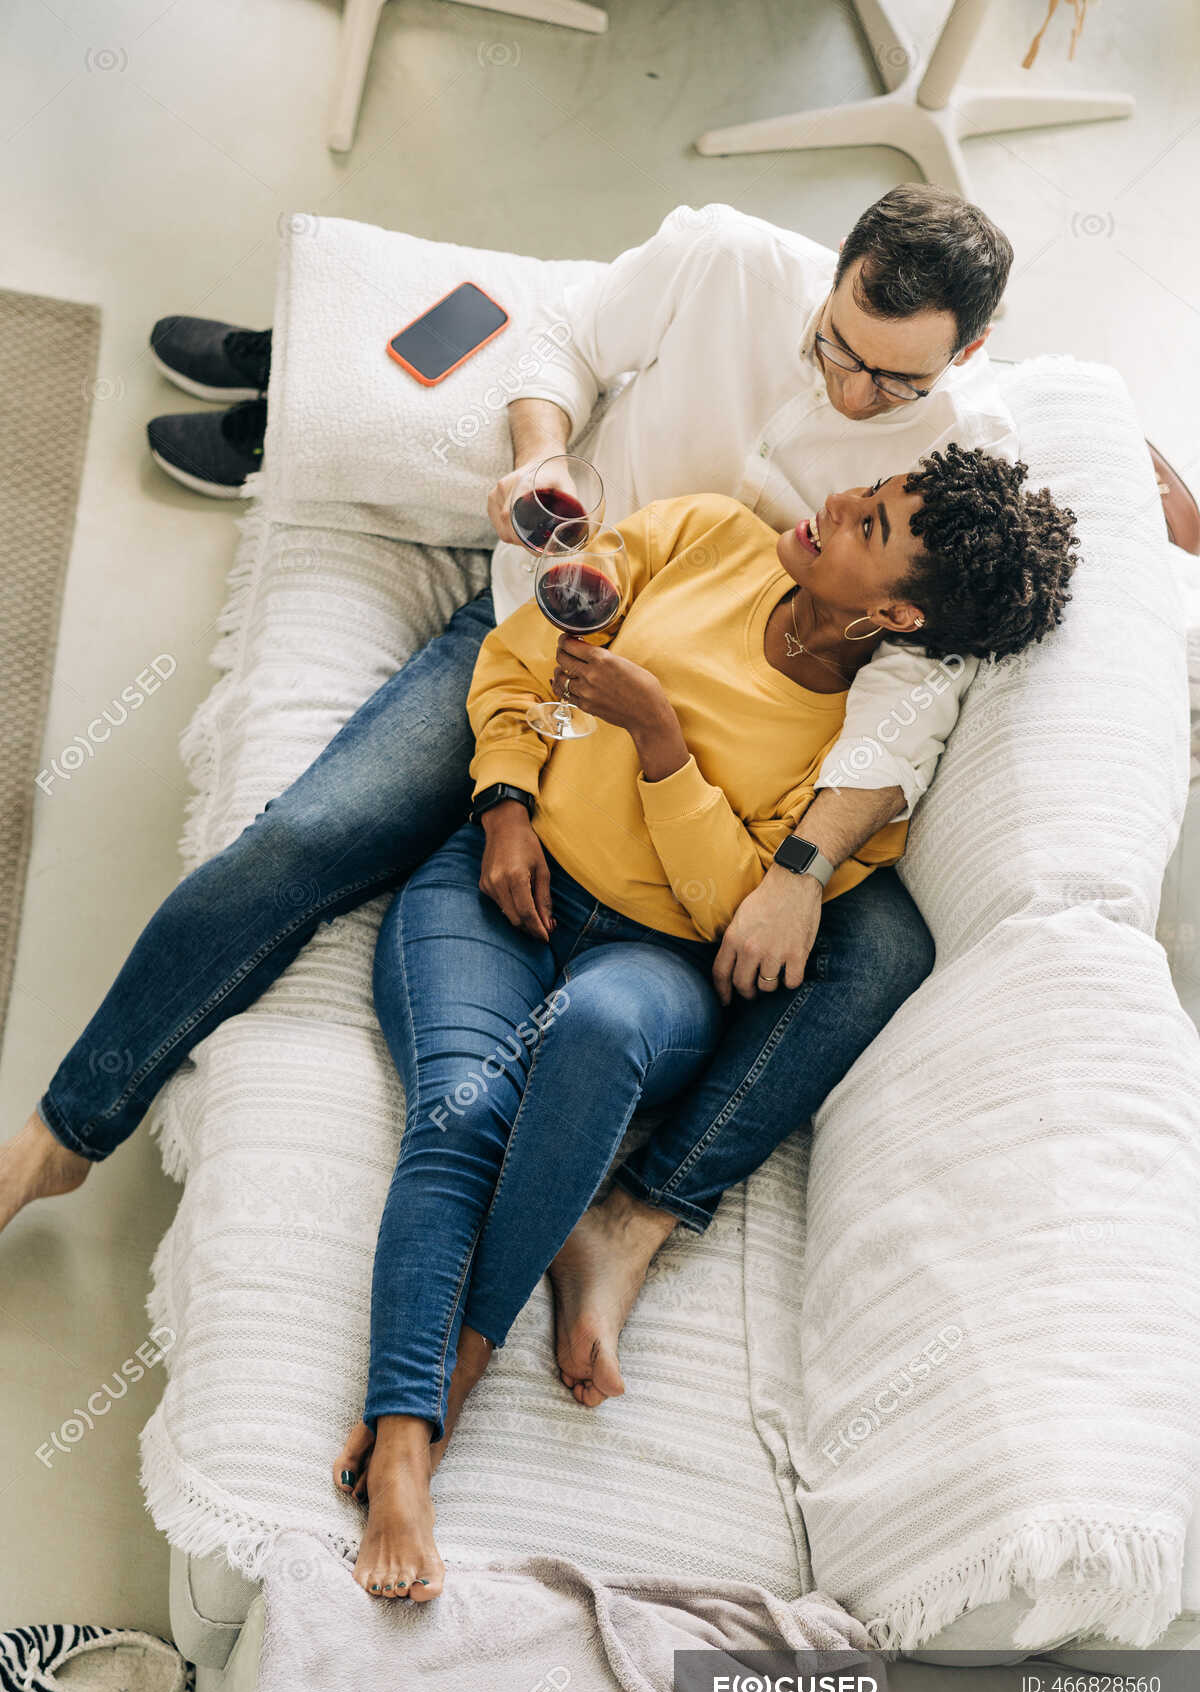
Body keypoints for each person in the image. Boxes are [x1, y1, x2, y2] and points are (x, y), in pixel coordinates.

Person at [0, 187, 1014, 1391]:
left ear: (968, 355)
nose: (853, 394)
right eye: (837, 348)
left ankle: (635, 1218)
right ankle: (57, 1139)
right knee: (313, 835)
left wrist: (798, 871)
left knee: (883, 938)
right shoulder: (723, 260)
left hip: (713, 730)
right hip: (551, 631)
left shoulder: (962, 459)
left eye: (893, 385)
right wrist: (539, 456)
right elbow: (563, 341)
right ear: (833, 272)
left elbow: (922, 685)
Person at [335, 451, 1079, 1601]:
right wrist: (505, 805)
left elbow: (730, 911)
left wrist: (659, 737)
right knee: (462, 1108)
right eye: (867, 485)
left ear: (892, 610)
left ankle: (459, 1365)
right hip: (497, 882)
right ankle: (399, 1441)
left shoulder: (864, 763)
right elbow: (529, 660)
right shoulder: (709, 535)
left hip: (656, 961)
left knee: (596, 1025)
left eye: (868, 521)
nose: (833, 498)